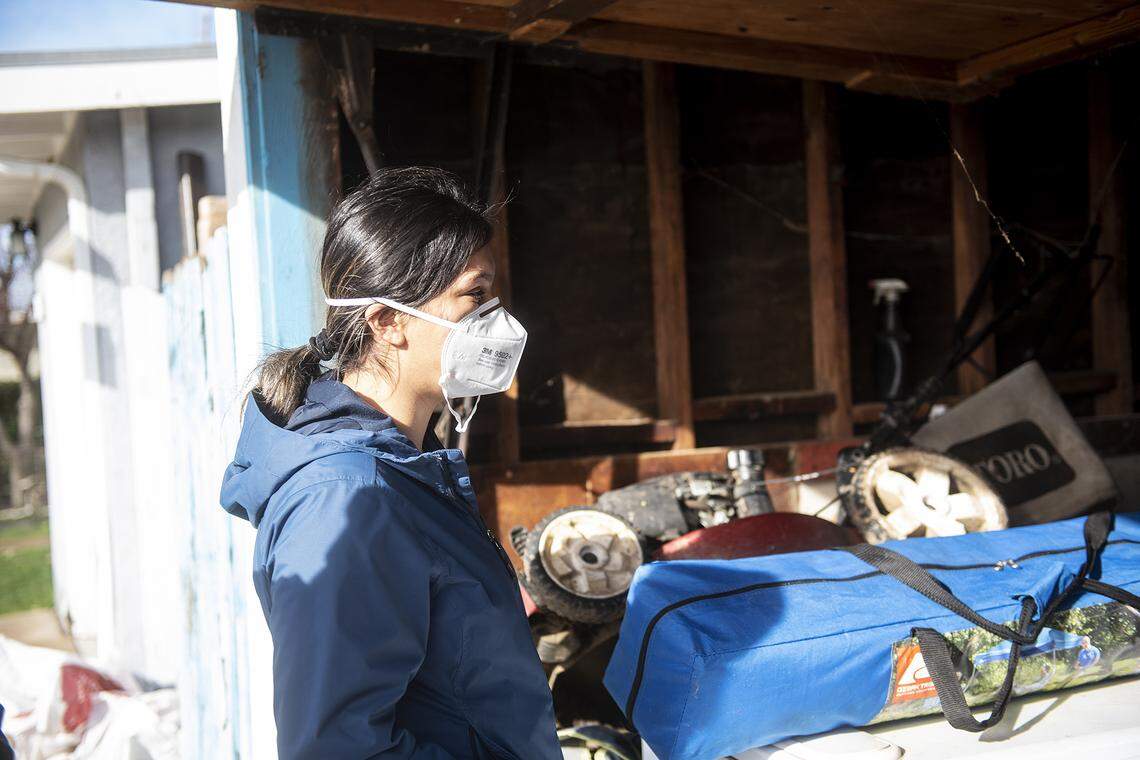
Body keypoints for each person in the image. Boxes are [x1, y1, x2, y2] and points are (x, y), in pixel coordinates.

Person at [219, 167, 561, 759]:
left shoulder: (404, 467)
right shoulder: (347, 498)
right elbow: (335, 749)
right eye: (474, 296)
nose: (497, 320)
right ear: (387, 322)